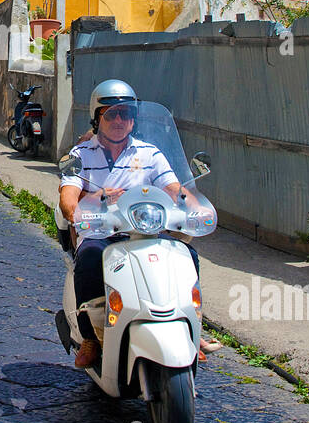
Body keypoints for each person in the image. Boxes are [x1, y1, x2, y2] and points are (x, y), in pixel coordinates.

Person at [58, 79, 217, 369]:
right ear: (97, 118)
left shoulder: (150, 153)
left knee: (187, 256)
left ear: (133, 120)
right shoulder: (79, 156)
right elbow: (68, 199)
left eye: (126, 114)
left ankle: (191, 326)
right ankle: (92, 337)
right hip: (101, 232)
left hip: (144, 231)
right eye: (112, 114)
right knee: (90, 257)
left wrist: (195, 209)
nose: (120, 120)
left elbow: (175, 190)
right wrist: (89, 203)